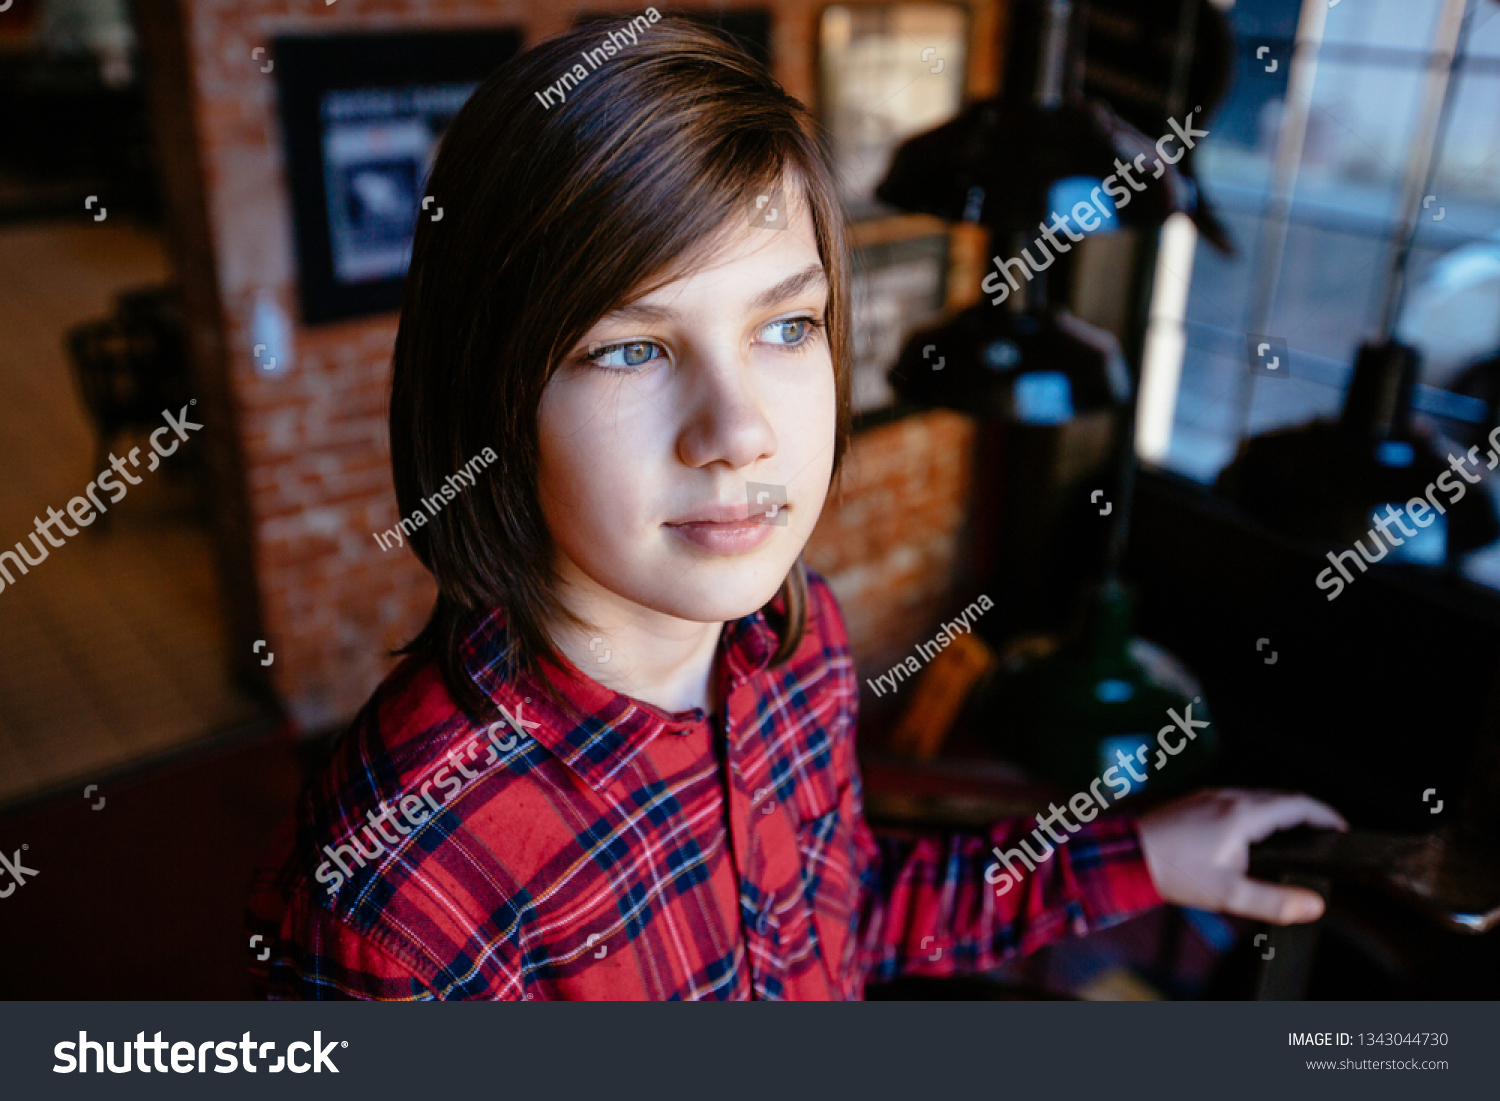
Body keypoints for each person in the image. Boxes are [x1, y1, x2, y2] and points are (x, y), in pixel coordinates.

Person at [247, 15, 1345, 1000]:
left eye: (785, 329)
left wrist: (1144, 859)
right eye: (632, 349)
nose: (741, 432)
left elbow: (842, 917)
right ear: (488, 394)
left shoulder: (794, 633)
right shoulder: (398, 887)